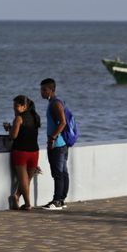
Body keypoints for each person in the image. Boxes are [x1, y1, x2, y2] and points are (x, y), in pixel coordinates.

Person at [4, 95, 40, 210]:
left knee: (23, 180)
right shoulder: (35, 117)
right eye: (13, 107)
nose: (14, 109)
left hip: (21, 152)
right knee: (27, 179)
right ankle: (16, 196)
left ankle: (28, 204)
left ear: (24, 106)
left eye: (16, 106)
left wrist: (9, 128)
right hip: (34, 151)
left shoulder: (19, 118)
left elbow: (14, 135)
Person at [39, 78, 69, 210]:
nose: (42, 92)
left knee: (58, 173)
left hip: (57, 144)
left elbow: (63, 122)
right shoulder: (53, 103)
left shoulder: (55, 104)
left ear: (52, 90)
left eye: (44, 90)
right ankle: (60, 199)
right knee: (62, 172)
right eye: (41, 89)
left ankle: (57, 200)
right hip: (60, 144)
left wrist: (52, 138)